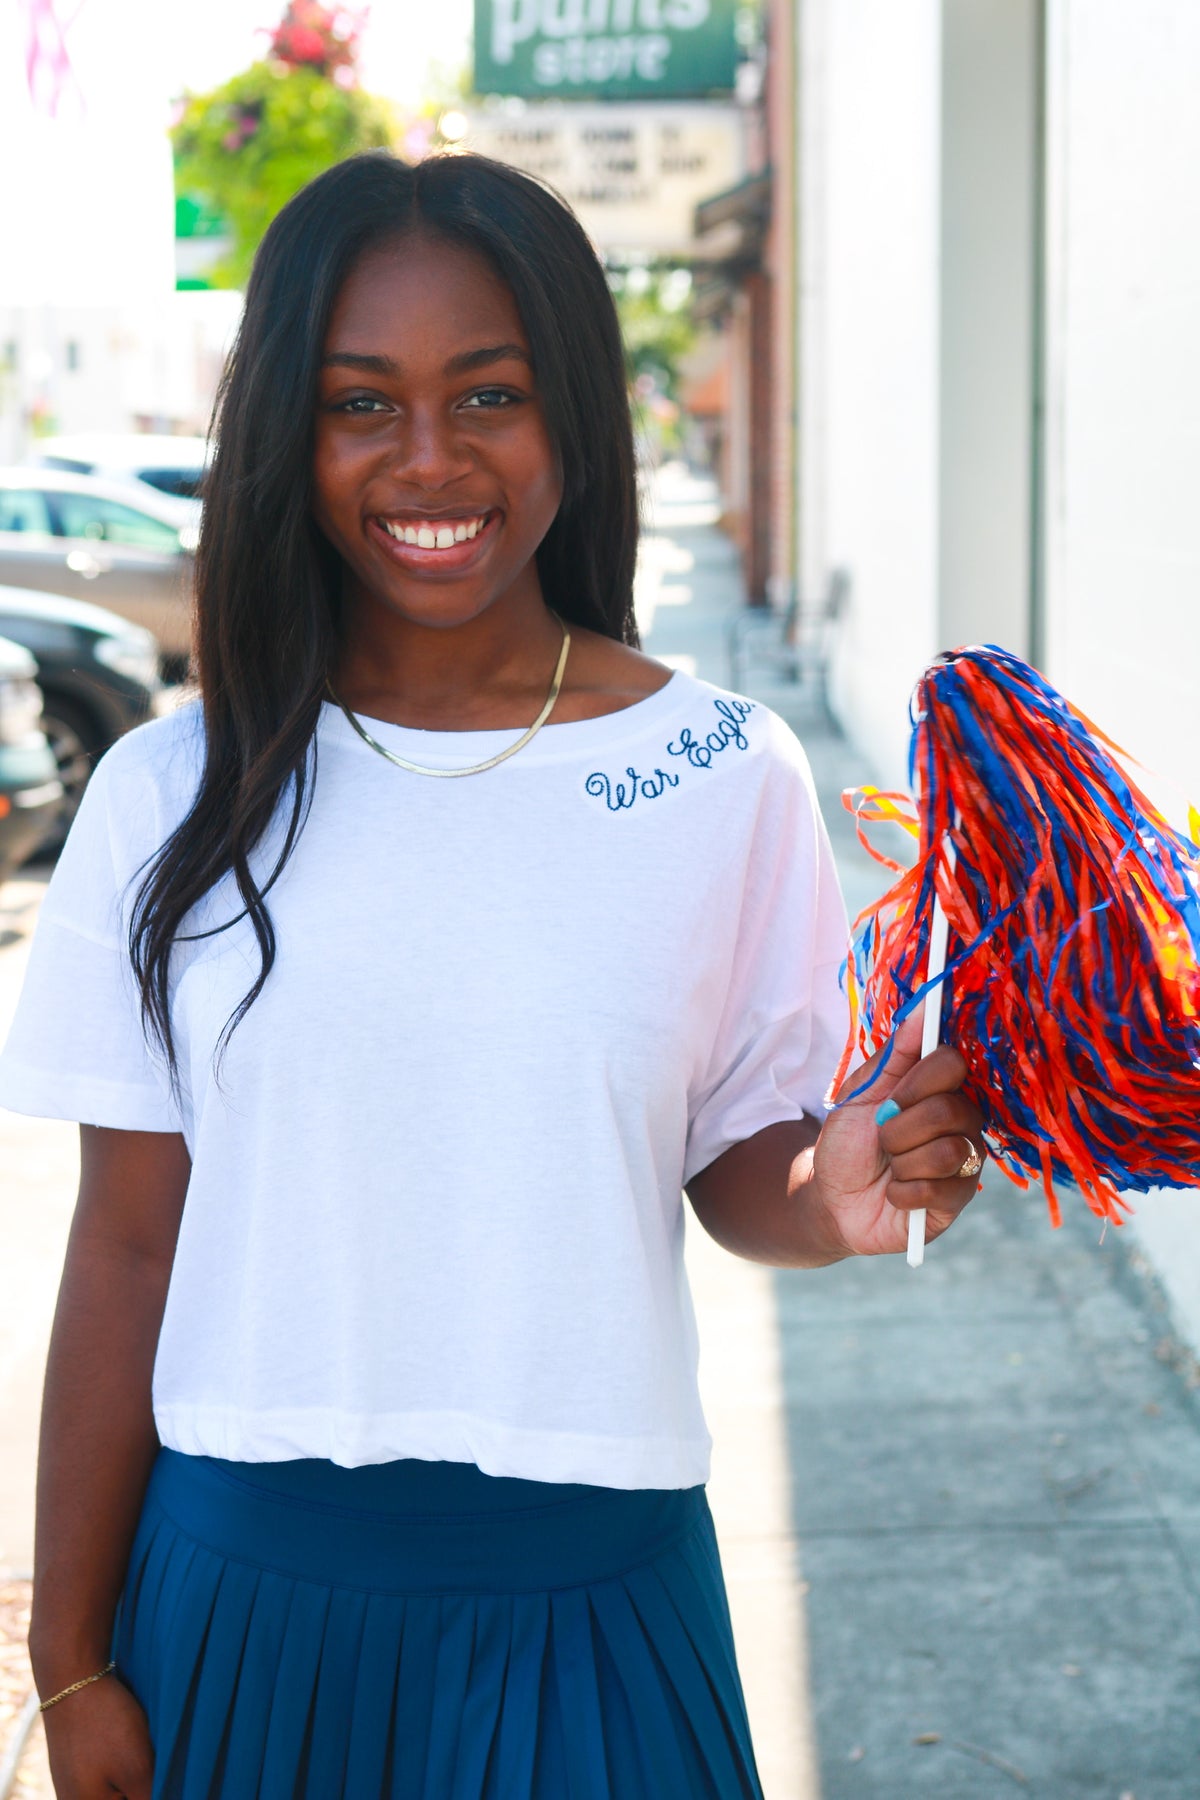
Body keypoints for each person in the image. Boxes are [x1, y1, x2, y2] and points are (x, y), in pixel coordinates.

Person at [0, 152, 985, 1799]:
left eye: (491, 394)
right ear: (286, 439)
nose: (430, 459)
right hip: (241, 1596)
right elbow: (125, 1241)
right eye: (358, 404)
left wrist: (842, 1182)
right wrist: (71, 1657)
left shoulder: (719, 771)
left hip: (594, 1603)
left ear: (576, 416)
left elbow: (740, 1167)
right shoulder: (169, 795)